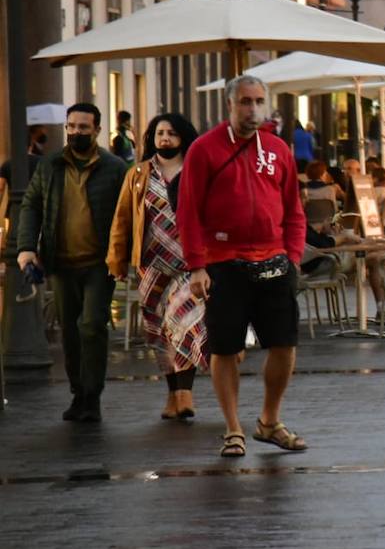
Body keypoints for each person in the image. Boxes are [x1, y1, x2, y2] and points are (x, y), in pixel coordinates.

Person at [179, 75, 307, 458]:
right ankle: (233, 428)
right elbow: (188, 212)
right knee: (225, 347)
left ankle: (269, 421)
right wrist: (197, 266)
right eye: (245, 102)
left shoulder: (277, 149)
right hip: (223, 263)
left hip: (273, 261)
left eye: (258, 101)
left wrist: (293, 258)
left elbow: (293, 210)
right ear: (230, 105)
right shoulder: (204, 150)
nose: (253, 109)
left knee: (284, 344)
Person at [16, 103, 129, 422]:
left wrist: (127, 255)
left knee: (91, 326)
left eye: (83, 127)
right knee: (70, 331)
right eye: (71, 126)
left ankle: (92, 397)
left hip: (99, 263)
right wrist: (26, 247)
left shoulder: (114, 167)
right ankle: (78, 392)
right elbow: (31, 205)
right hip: (61, 262)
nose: (76, 132)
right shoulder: (50, 164)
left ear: (96, 129)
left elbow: (126, 215)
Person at [107, 114, 208, 421]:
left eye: (172, 133)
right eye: (160, 133)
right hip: (151, 265)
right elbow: (123, 218)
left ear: (183, 137)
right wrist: (116, 260)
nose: (165, 138)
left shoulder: (196, 170)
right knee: (161, 331)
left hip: (189, 265)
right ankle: (171, 396)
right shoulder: (137, 173)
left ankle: (186, 394)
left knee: (186, 326)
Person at [0, 125, 48, 208]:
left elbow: (0, 188)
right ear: (31, 145)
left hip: (13, 210)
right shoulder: (43, 162)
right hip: (37, 210)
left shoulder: (7, 164)